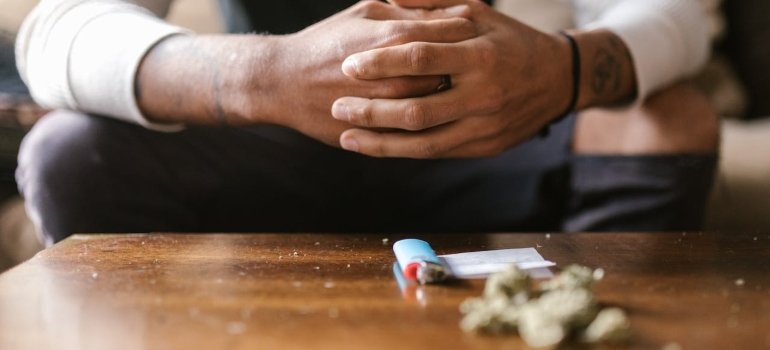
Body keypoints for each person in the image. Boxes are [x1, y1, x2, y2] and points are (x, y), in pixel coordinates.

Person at [15, 0, 719, 246]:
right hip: (269, 151)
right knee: (70, 150)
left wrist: (561, 71)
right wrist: (269, 75)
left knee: (672, 121)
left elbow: (682, 13)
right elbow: (53, 32)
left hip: (488, 141)